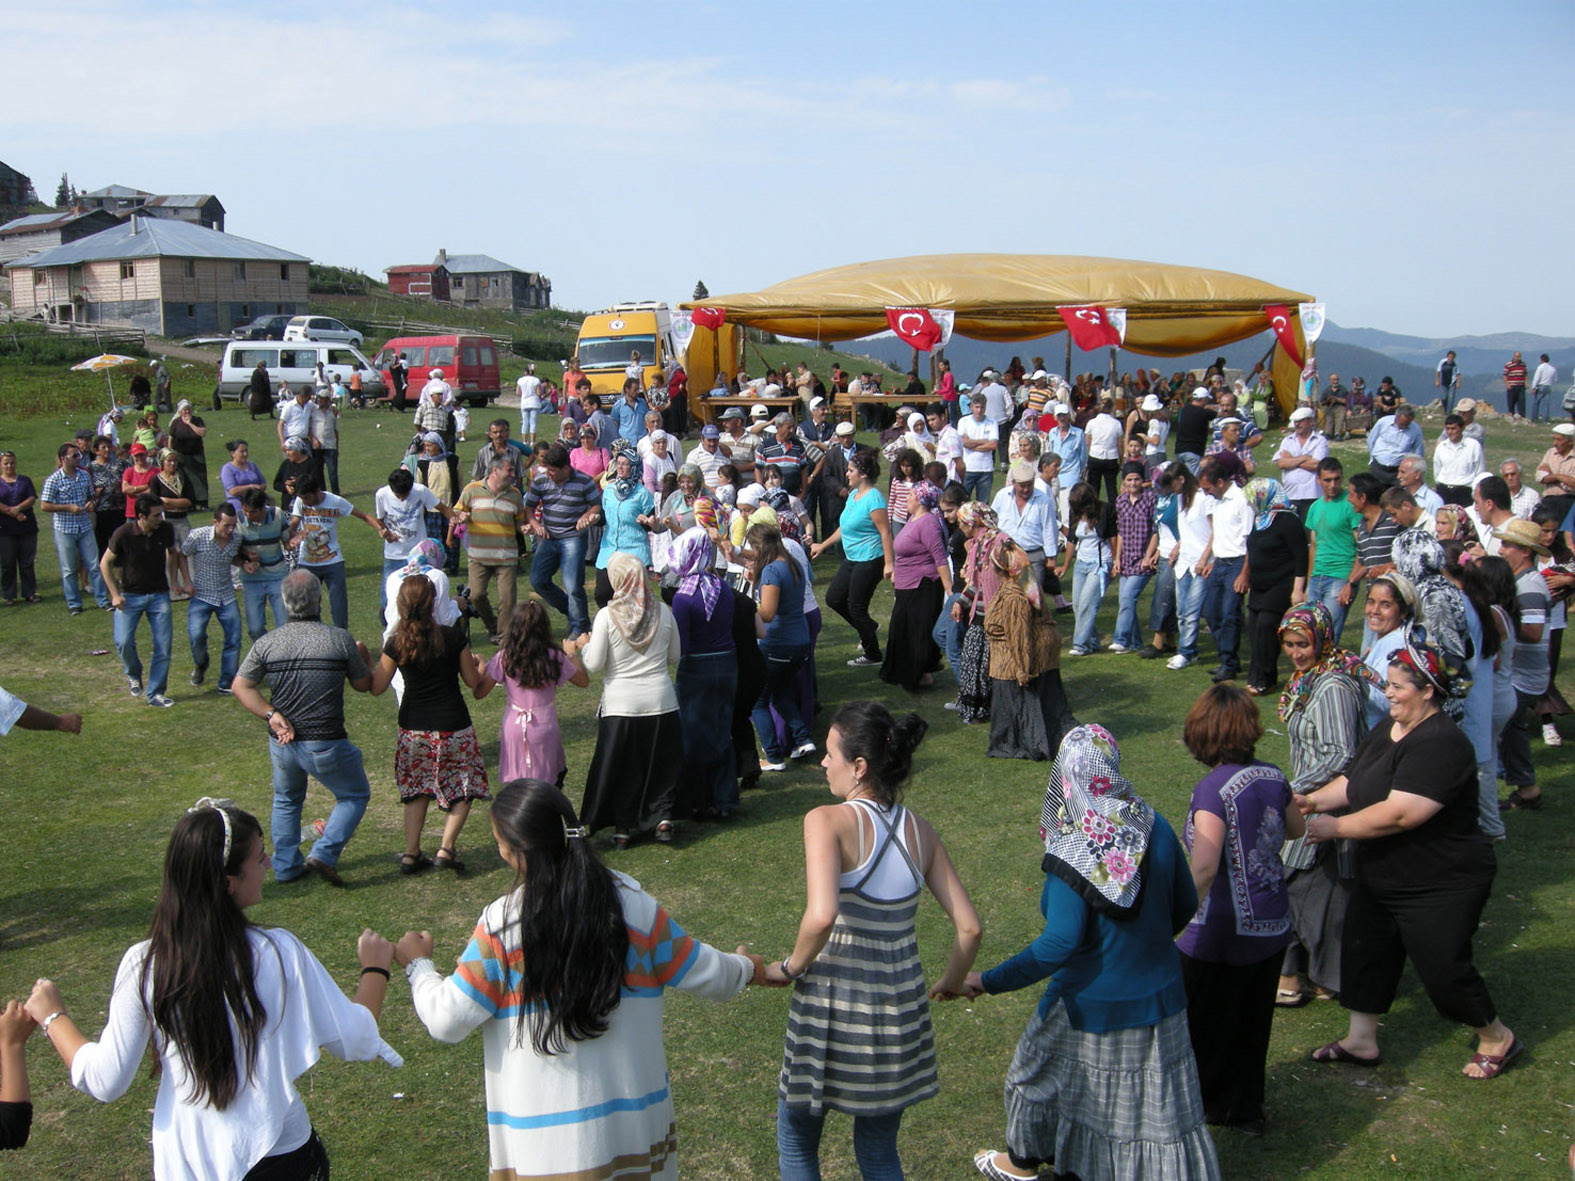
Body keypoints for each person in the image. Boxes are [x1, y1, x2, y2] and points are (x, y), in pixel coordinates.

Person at [392, 781, 760, 1179]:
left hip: (545, 1153)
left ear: (515, 852)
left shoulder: (501, 928)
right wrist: (748, 967)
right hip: (635, 1141)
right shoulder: (636, 908)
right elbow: (709, 972)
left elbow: (446, 1019)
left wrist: (419, 966)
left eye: (499, 843)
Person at [26, 799, 400, 1178]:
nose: (268, 864)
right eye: (259, 858)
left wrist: (53, 1017)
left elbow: (105, 1079)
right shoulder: (279, 951)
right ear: (228, 882)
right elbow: (355, 1039)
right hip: (284, 1158)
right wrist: (375, 967)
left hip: (189, 1165)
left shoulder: (146, 964)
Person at [963, 725, 1221, 1181]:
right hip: (1162, 996)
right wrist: (1147, 942)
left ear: (1066, 776)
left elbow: (1058, 945)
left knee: (1033, 1075)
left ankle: (1020, 1165)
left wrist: (987, 981)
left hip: (1089, 1002)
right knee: (1152, 1108)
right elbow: (1184, 903)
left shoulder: (1073, 846)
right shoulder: (1153, 824)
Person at [765, 702, 980, 1181]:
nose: (824, 763)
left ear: (859, 766)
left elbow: (822, 915)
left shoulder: (824, 820)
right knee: (879, 1151)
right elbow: (970, 928)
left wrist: (789, 967)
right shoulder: (921, 831)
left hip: (832, 1008)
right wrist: (951, 982)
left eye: (830, 753)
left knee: (797, 1139)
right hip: (900, 1014)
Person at [1299, 630, 1522, 1078]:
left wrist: (1335, 827)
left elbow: (1403, 814)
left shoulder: (1441, 743)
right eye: (1388, 684)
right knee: (1365, 952)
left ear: (1428, 691)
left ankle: (1497, 1036)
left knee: (1442, 968)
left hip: (1440, 879)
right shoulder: (1389, 729)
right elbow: (1353, 782)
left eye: (1398, 686)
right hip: (1384, 872)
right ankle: (1361, 1041)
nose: (1388, 693)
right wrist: (1310, 801)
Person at [1178, 685, 1303, 1134]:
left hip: (1219, 929)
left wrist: (1173, 917)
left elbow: (1204, 867)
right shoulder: (1272, 775)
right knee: (1252, 1022)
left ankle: (1199, 1104)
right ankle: (1244, 1108)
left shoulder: (1212, 790)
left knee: (1201, 1023)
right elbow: (1296, 827)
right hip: (1272, 923)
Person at [231, 569, 375, 886]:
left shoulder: (267, 643)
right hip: (326, 742)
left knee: (286, 799)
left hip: (283, 743)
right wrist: (363, 656)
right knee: (354, 795)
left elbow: (241, 686)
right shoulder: (339, 639)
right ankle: (323, 853)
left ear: (284, 602)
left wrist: (270, 714)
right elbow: (364, 684)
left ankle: (285, 868)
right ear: (319, 600)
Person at [1273, 603, 1375, 1007]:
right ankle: (1319, 976)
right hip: (1313, 801)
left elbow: (1341, 754)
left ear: (1322, 639)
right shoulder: (1310, 678)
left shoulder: (1332, 686)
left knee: (1292, 886)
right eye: (1289, 644)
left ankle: (1294, 977)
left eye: (1303, 643)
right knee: (1316, 893)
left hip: (1323, 803)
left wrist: (1292, 790)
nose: (1296, 653)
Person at [370, 575, 491, 874]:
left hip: (413, 727)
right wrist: (481, 665)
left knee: (416, 790)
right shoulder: (452, 637)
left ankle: (411, 853)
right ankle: (446, 848)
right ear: (434, 602)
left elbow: (377, 686)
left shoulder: (396, 642)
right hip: (453, 723)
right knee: (464, 786)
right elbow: (472, 682)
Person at [575, 553, 683, 847]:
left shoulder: (607, 616)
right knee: (660, 765)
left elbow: (594, 664)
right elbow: (674, 656)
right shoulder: (664, 612)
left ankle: (623, 827)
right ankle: (662, 818)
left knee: (623, 767)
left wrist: (584, 646)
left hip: (621, 705)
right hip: (661, 702)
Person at [476, 598, 589, 789]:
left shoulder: (505, 656)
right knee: (547, 787)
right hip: (544, 726)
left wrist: (480, 666)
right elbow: (583, 681)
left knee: (517, 789)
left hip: (514, 727)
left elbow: (479, 692)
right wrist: (571, 654)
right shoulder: (554, 656)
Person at [985, 538, 1077, 760]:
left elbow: (1019, 635)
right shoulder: (1020, 584)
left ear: (1000, 568)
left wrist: (1022, 669)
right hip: (1032, 651)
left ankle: (1030, 744)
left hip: (1019, 657)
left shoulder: (1014, 596)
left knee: (1027, 703)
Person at [100, 493, 186, 707]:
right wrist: (115, 595)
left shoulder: (165, 529)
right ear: (141, 516)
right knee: (123, 641)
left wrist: (174, 580)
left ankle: (155, 693)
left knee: (163, 646)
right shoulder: (123, 534)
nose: (160, 519)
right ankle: (133, 673)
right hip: (130, 596)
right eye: (156, 515)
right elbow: (104, 563)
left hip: (159, 595)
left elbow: (172, 553)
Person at [814, 450, 893, 668]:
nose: (847, 474)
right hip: (852, 558)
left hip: (871, 558)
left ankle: (873, 654)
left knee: (856, 607)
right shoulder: (853, 495)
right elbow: (845, 527)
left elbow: (886, 532)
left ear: (863, 473)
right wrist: (823, 545)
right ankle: (868, 627)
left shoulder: (874, 499)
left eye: (850, 470)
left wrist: (889, 563)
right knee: (833, 598)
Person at [1493, 518, 1551, 810]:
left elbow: (1533, 632)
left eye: (1507, 545)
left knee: (1505, 725)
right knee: (1511, 728)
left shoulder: (1530, 586)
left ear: (1525, 551)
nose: (1501, 550)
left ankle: (1524, 786)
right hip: (1522, 674)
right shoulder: (1523, 582)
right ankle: (1526, 787)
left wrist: (1500, 624)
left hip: (1524, 677)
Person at [748, 522, 816, 771]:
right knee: (781, 694)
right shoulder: (793, 564)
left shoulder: (771, 571)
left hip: (777, 645)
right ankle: (803, 740)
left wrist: (746, 608)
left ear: (760, 547)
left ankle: (774, 757)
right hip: (800, 642)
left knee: (758, 701)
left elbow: (767, 614)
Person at [522, 444, 601, 640]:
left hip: (573, 538)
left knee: (573, 585)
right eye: (547, 469)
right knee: (538, 580)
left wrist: (587, 516)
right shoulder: (541, 480)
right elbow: (529, 507)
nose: (548, 473)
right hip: (549, 538)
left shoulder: (584, 481)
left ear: (566, 468)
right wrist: (535, 524)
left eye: (552, 470)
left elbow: (596, 506)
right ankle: (572, 611)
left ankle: (580, 627)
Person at [288, 475, 386, 631]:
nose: (305, 502)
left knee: (338, 607)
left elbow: (364, 516)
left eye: (307, 498)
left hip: (333, 563)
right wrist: (295, 535)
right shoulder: (301, 502)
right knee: (307, 607)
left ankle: (342, 638)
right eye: (302, 498)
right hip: (307, 563)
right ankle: (312, 639)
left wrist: (381, 529)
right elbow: (293, 525)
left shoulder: (335, 502)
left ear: (317, 491)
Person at [880, 481, 950, 691]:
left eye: (910, 495)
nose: (907, 498)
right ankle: (901, 672)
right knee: (901, 629)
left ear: (920, 500)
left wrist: (949, 590)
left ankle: (920, 675)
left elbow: (940, 558)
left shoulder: (927, 523)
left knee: (915, 633)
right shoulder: (914, 518)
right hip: (906, 585)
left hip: (922, 586)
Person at [453, 459, 530, 642]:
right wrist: (461, 516)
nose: (513, 474)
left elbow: (518, 522)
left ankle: (503, 638)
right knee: (476, 595)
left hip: (506, 557)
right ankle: (493, 626)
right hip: (478, 556)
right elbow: (457, 511)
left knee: (507, 600)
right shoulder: (471, 490)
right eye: (509, 470)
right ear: (495, 470)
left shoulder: (515, 494)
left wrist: (523, 528)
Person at [1243, 479, 1308, 696]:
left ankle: (1264, 679)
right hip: (1259, 587)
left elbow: (1301, 557)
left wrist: (1298, 590)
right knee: (1254, 631)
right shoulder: (1259, 519)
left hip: (1280, 585)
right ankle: (1258, 676)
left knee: (1266, 630)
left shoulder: (1288, 520)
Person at [1197, 456, 1253, 683]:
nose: (1206, 493)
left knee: (1230, 613)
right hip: (1220, 562)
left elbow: (1250, 540)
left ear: (1220, 482)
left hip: (1237, 563)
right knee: (1211, 612)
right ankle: (1227, 659)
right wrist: (1212, 561)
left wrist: (1245, 574)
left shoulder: (1242, 500)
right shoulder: (1216, 501)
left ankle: (1228, 663)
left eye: (1207, 488)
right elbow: (1220, 534)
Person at [181, 504, 243, 693]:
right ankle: (201, 664)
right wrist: (186, 581)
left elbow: (234, 557)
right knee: (196, 635)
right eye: (226, 525)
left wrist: (245, 564)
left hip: (226, 595)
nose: (230, 530)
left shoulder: (236, 538)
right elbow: (182, 555)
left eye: (233, 525)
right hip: (201, 595)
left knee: (234, 638)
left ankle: (226, 682)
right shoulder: (197, 536)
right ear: (215, 522)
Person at [1302, 457, 1363, 642]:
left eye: (1337, 479)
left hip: (1340, 575)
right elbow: (1314, 546)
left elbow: (1362, 545)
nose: (1333, 485)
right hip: (1317, 576)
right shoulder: (1315, 507)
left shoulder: (1350, 505)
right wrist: (1308, 582)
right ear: (1318, 480)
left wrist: (1351, 582)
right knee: (1310, 632)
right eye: (1327, 480)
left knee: (1328, 634)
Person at [1060, 480, 1117, 657]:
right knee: (1078, 605)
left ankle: (1080, 645)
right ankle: (1092, 642)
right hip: (1081, 564)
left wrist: (1116, 562)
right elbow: (1071, 539)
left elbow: (1113, 537)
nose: (1078, 508)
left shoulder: (1105, 510)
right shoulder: (1075, 513)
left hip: (1100, 564)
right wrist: (1065, 566)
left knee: (1087, 603)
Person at [1359, 572, 1419, 729]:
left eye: (1386, 605)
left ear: (1403, 612)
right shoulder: (1385, 640)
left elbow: (1389, 700)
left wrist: (1352, 674)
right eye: (1371, 602)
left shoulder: (1397, 647)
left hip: (1383, 732)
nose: (1375, 610)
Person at [0, 450, 39, 606]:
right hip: (5, 529)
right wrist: (13, 513)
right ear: (1, 465)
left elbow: (31, 498)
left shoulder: (25, 480)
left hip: (27, 527)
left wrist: (19, 508)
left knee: (27, 562)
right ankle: (9, 595)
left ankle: (30, 592)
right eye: (6, 463)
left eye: (12, 463)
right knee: (7, 563)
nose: (9, 466)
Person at [166, 400, 209, 509]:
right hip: (180, 456)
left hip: (196, 455)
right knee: (185, 480)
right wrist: (170, 452)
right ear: (180, 411)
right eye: (185, 410)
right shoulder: (176, 422)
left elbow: (202, 433)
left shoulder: (197, 420)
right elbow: (170, 438)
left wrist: (190, 423)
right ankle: (190, 503)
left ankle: (203, 502)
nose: (187, 412)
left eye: (188, 409)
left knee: (200, 479)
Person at [958, 393, 1000, 501]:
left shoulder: (992, 422)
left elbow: (993, 445)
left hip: (986, 469)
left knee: (983, 504)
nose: (979, 410)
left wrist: (972, 445)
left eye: (982, 407)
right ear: (971, 407)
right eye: (977, 407)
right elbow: (963, 442)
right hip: (968, 467)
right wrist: (984, 441)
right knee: (962, 501)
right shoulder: (963, 421)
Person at [152, 448, 194, 549]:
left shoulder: (183, 478)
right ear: (163, 461)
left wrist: (167, 500)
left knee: (187, 550)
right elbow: (156, 504)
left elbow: (189, 501)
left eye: (175, 460)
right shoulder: (156, 480)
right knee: (170, 551)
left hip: (183, 520)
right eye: (169, 461)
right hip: (166, 520)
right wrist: (179, 503)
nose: (173, 463)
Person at [219, 438, 266, 517]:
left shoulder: (252, 465)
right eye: (241, 452)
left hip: (256, 503)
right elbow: (233, 491)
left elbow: (263, 483)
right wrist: (251, 487)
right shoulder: (227, 469)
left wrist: (260, 488)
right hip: (238, 505)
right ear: (233, 453)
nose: (245, 454)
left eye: (246, 451)